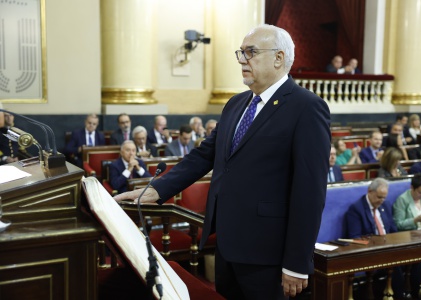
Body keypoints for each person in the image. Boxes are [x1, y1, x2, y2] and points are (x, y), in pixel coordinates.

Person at [115, 24, 331, 299]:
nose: (242, 60)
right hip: (227, 246)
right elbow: (204, 155)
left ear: (279, 58)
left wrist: (298, 263)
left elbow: (310, 192)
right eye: (241, 53)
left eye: (251, 52)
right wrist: (158, 189)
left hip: (269, 255)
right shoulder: (236, 104)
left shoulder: (306, 106)